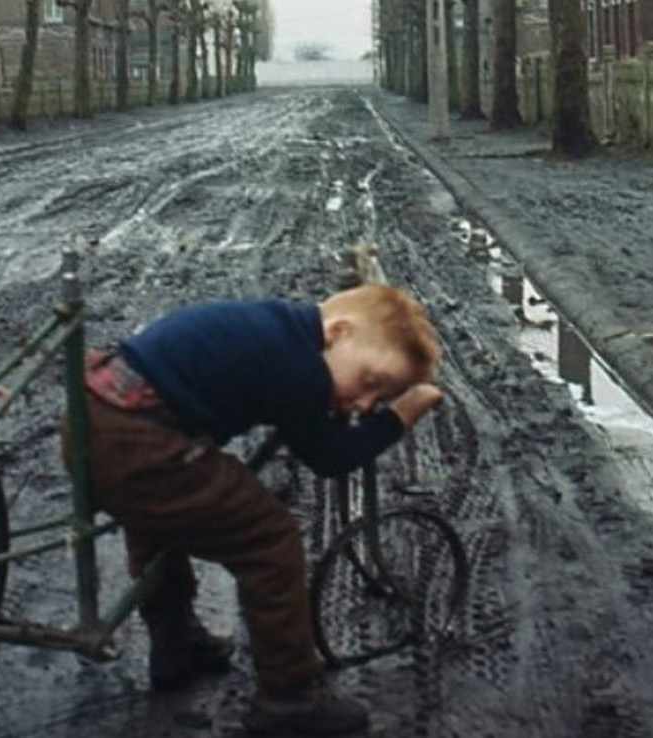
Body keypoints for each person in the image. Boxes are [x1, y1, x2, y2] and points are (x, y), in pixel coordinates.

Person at [62, 283, 444, 735]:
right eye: (369, 383)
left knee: (157, 517)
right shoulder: (301, 368)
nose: (364, 403)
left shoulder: (278, 329)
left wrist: (359, 400)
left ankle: (176, 641)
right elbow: (327, 458)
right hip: (138, 442)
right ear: (338, 332)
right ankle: (290, 700)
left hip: (96, 421)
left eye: (377, 400)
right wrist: (397, 415)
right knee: (269, 539)